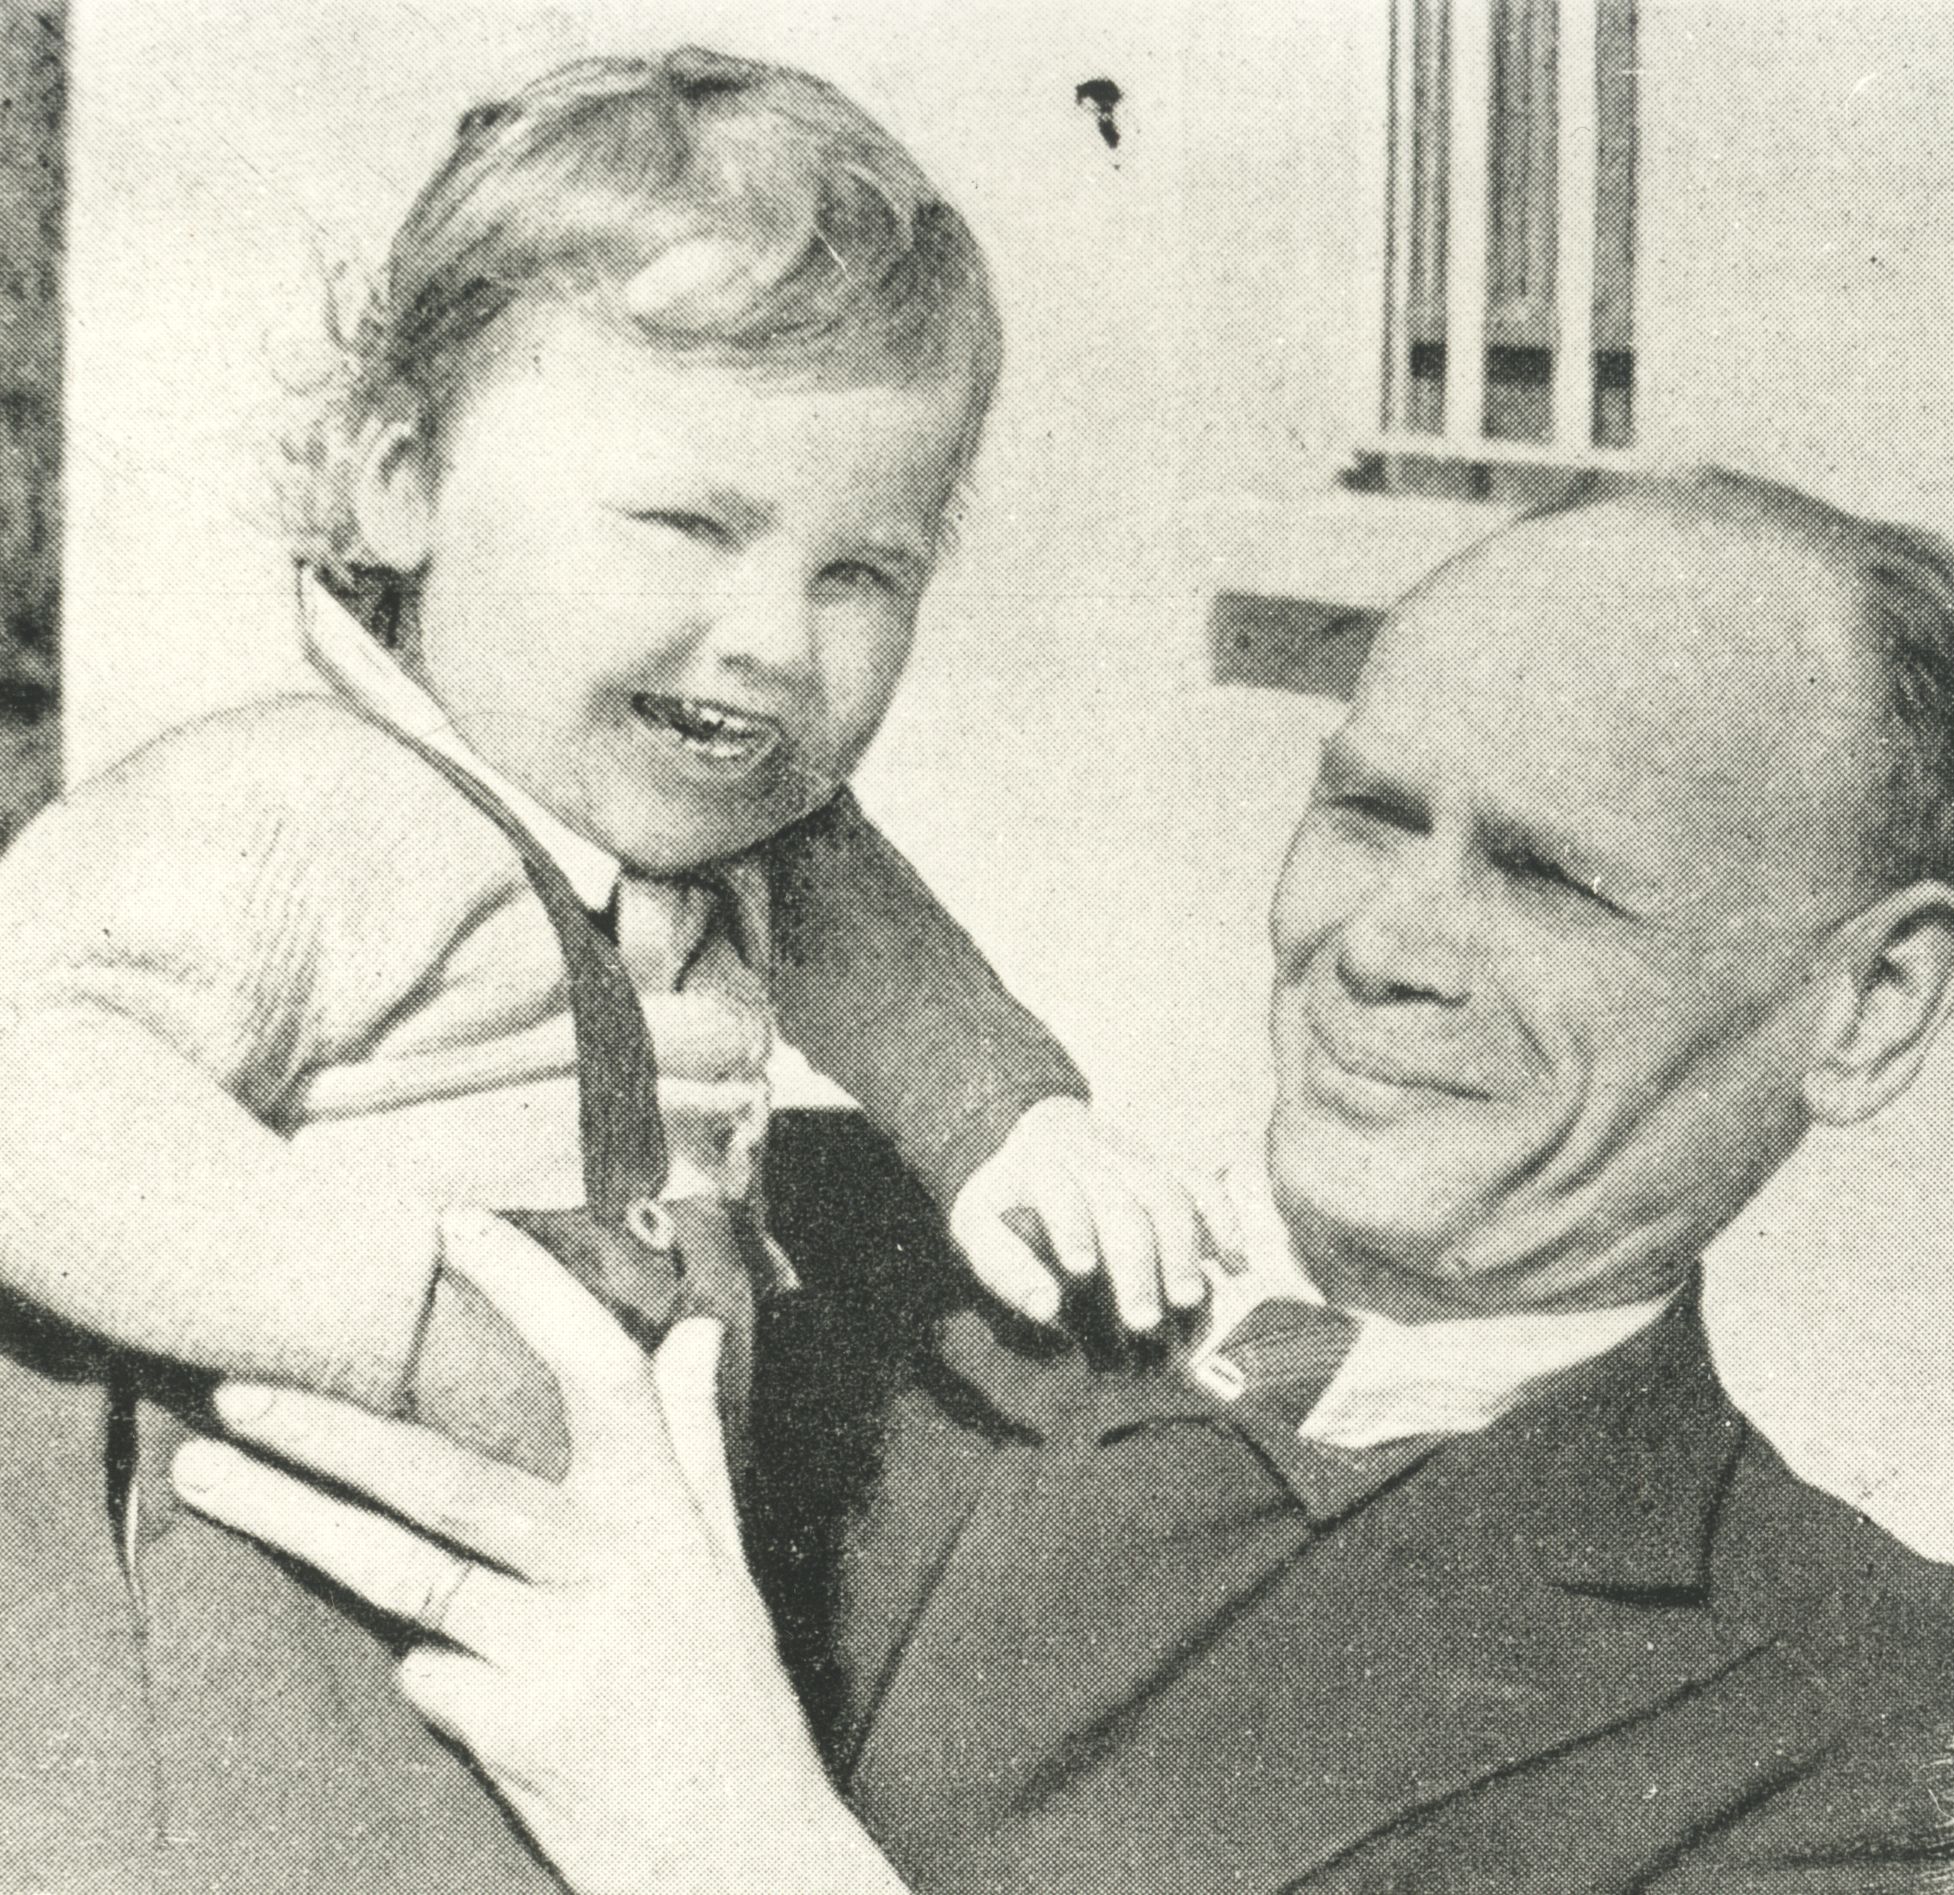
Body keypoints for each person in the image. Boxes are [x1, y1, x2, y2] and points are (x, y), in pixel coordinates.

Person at [185, 467, 1954, 1891]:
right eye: (1369, 813)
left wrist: (730, 1850)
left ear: (1871, 1004)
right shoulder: (776, 1224)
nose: (1385, 944)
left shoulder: (1888, 1733)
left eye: (1550, 881)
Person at [0, 49, 1205, 1893]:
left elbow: (871, 942)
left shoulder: (733, 831)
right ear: (402, 484)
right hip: (280, 1572)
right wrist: (394, 1313)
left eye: (863, 573)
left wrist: (1014, 1126)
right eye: (692, 528)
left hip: (587, 1578)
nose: (774, 640)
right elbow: (28, 1086)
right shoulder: (289, 806)